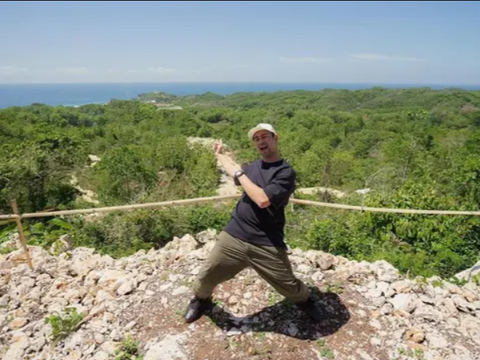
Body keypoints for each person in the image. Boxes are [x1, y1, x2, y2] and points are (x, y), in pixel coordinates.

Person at [184, 123, 322, 323]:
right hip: (235, 234)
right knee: (206, 275)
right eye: (256, 139)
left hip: (266, 240)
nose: (260, 141)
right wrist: (220, 155)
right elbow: (234, 171)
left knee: (288, 285)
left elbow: (262, 199)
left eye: (264, 136)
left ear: (276, 138)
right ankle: (201, 300)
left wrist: (240, 174)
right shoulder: (251, 167)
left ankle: (305, 300)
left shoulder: (285, 173)